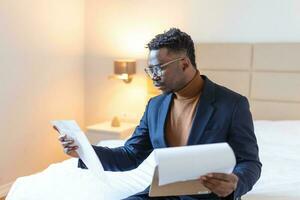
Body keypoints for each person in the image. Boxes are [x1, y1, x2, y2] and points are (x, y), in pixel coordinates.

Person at [54, 28, 262, 200]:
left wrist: (236, 182)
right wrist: (83, 151)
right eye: (149, 70)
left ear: (184, 63)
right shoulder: (155, 105)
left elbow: (250, 162)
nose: (152, 77)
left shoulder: (233, 104)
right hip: (162, 195)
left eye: (158, 69)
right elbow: (130, 155)